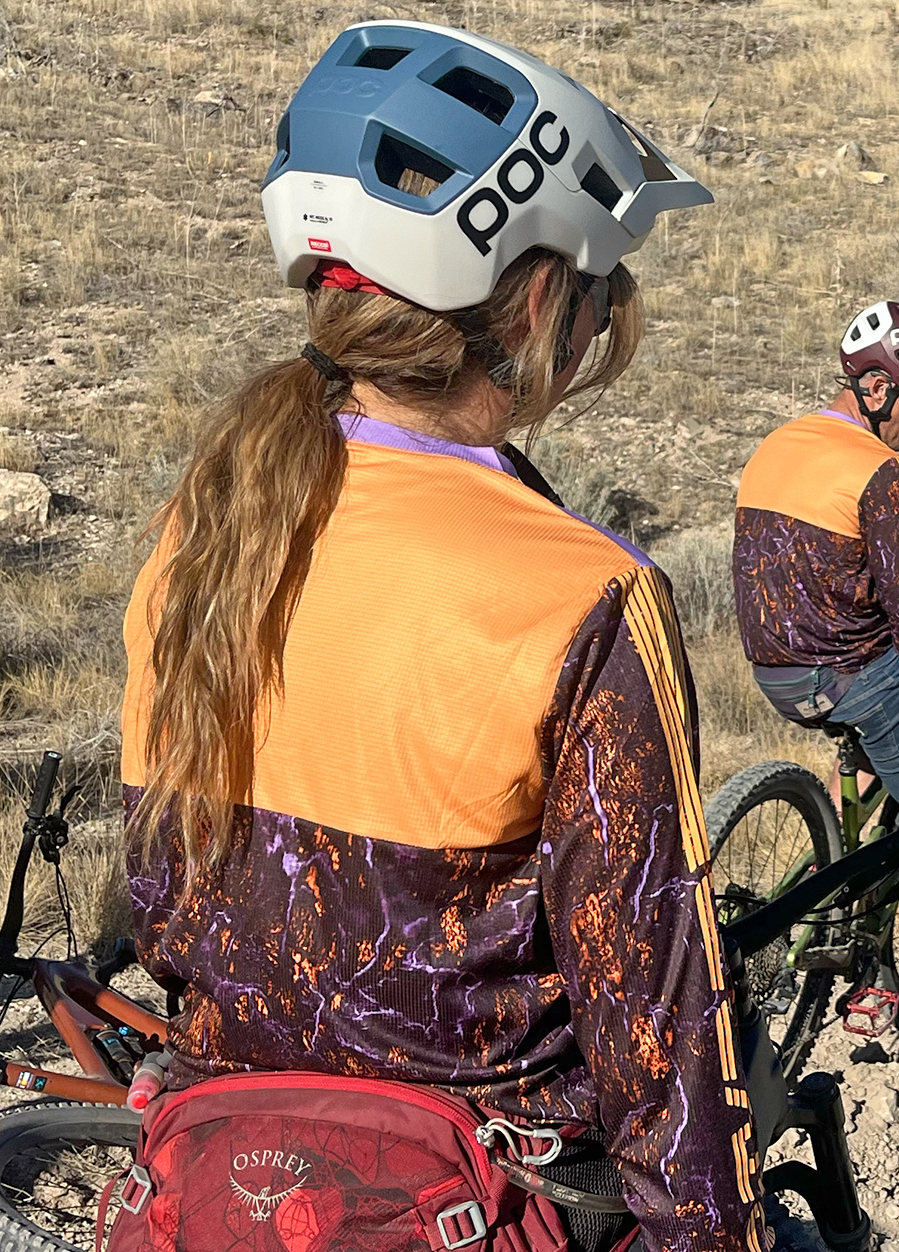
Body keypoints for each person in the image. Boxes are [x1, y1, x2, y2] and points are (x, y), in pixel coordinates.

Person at [118, 21, 765, 1251]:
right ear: (534, 298)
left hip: (225, 1191)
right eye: (597, 295)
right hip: (471, 1203)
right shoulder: (584, 592)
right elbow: (659, 1038)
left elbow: (166, 906)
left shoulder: (202, 530)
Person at [731, 302, 899, 972]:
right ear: (879, 389)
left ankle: (842, 878)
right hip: (848, 672)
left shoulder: (782, 442)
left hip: (775, 671)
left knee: (888, 725)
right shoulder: (878, 468)